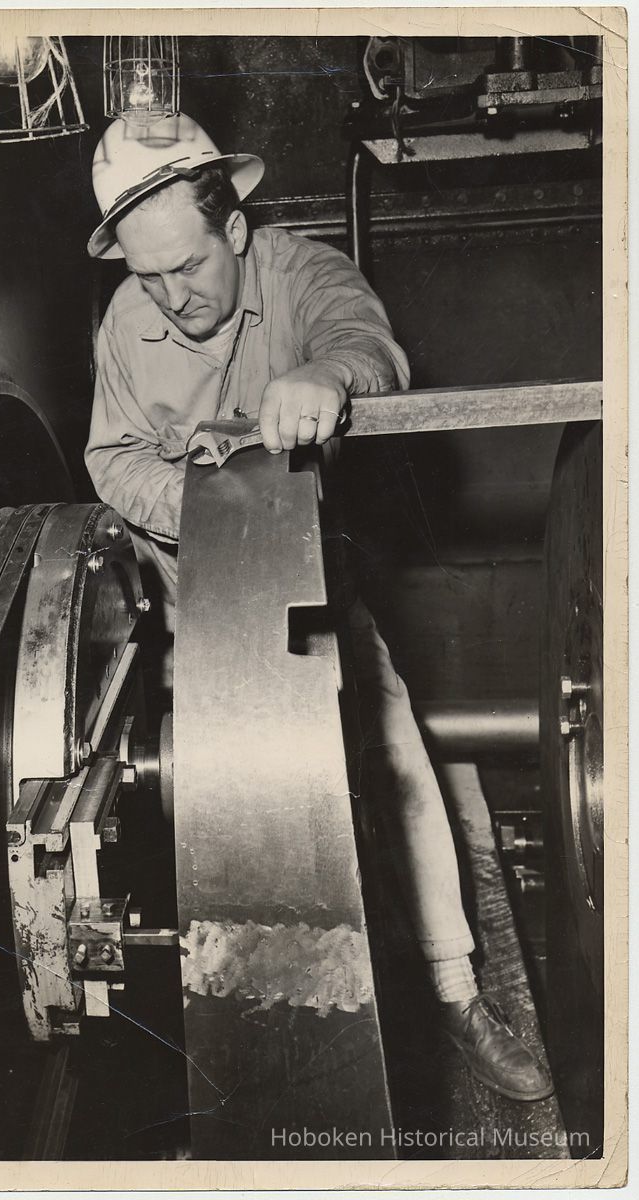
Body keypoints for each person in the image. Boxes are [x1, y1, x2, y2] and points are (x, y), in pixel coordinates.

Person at [84, 113, 553, 1104]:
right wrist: (198, 505)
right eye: (148, 276)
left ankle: (459, 993)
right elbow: (110, 457)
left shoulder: (301, 272)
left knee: (401, 769)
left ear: (238, 229)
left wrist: (325, 378)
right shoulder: (128, 320)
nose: (170, 298)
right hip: (183, 610)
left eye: (187, 268)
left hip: (312, 602)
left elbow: (366, 342)